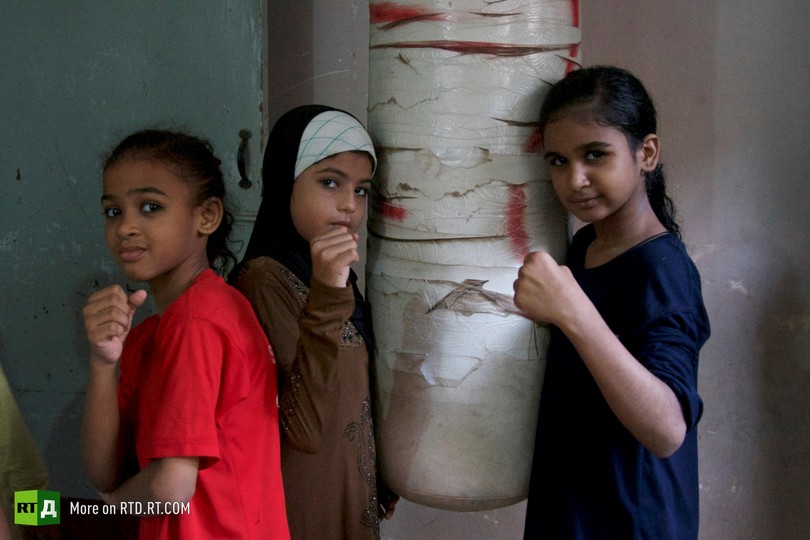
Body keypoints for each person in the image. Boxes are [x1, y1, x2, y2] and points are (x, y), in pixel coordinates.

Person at [513, 66, 710, 539]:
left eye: (595, 154)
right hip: (573, 508)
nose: (574, 179)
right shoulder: (585, 245)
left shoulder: (663, 270)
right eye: (558, 161)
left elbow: (668, 430)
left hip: (630, 521)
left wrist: (573, 312)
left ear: (647, 153)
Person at [80, 130, 290, 539]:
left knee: (31, 511)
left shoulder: (198, 322)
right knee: (27, 509)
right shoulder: (155, 333)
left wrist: (107, 506)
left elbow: (170, 488)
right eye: (113, 211)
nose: (125, 227)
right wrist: (102, 363)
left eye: (150, 207)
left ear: (206, 216)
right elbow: (104, 472)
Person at [230, 105, 397, 540]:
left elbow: (350, 389)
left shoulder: (335, 278)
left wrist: (380, 469)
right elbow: (301, 428)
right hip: (299, 507)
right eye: (329, 182)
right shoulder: (263, 281)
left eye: (361, 190)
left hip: (346, 493)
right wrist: (326, 292)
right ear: (285, 182)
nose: (349, 205)